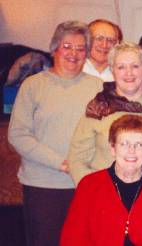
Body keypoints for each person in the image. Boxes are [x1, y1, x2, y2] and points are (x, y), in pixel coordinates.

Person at [7, 20, 103, 246]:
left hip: (85, 184)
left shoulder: (97, 87)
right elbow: (18, 135)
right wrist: (61, 163)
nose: (74, 53)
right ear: (54, 48)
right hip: (43, 186)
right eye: (67, 46)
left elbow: (104, 132)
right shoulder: (33, 85)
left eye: (80, 48)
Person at [67, 42, 142, 185]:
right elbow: (77, 158)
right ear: (112, 70)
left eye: (135, 66)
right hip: (105, 200)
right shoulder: (98, 109)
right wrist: (97, 191)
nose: (129, 73)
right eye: (121, 67)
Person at [61, 115, 142, 245]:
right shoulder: (89, 186)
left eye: (139, 145)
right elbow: (73, 238)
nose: (131, 151)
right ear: (112, 148)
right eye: (124, 144)